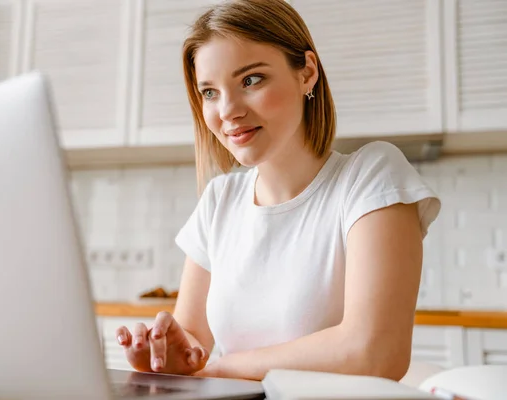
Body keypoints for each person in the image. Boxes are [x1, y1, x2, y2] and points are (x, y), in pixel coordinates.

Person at [115, 0, 441, 382]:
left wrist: (222, 369)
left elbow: (374, 351)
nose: (228, 111)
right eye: (209, 92)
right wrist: (162, 353)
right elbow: (192, 346)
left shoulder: (369, 177)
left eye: (250, 80)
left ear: (307, 73)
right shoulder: (219, 201)